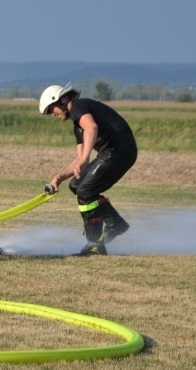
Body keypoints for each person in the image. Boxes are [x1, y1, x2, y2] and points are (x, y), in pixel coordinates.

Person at [39, 82, 137, 256]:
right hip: (112, 153)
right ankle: (115, 223)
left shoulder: (78, 106)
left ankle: (94, 244)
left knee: (85, 191)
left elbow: (92, 127)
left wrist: (85, 159)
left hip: (118, 151)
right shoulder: (78, 126)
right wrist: (59, 178)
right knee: (76, 185)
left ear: (60, 101)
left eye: (51, 109)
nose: (52, 114)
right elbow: (79, 159)